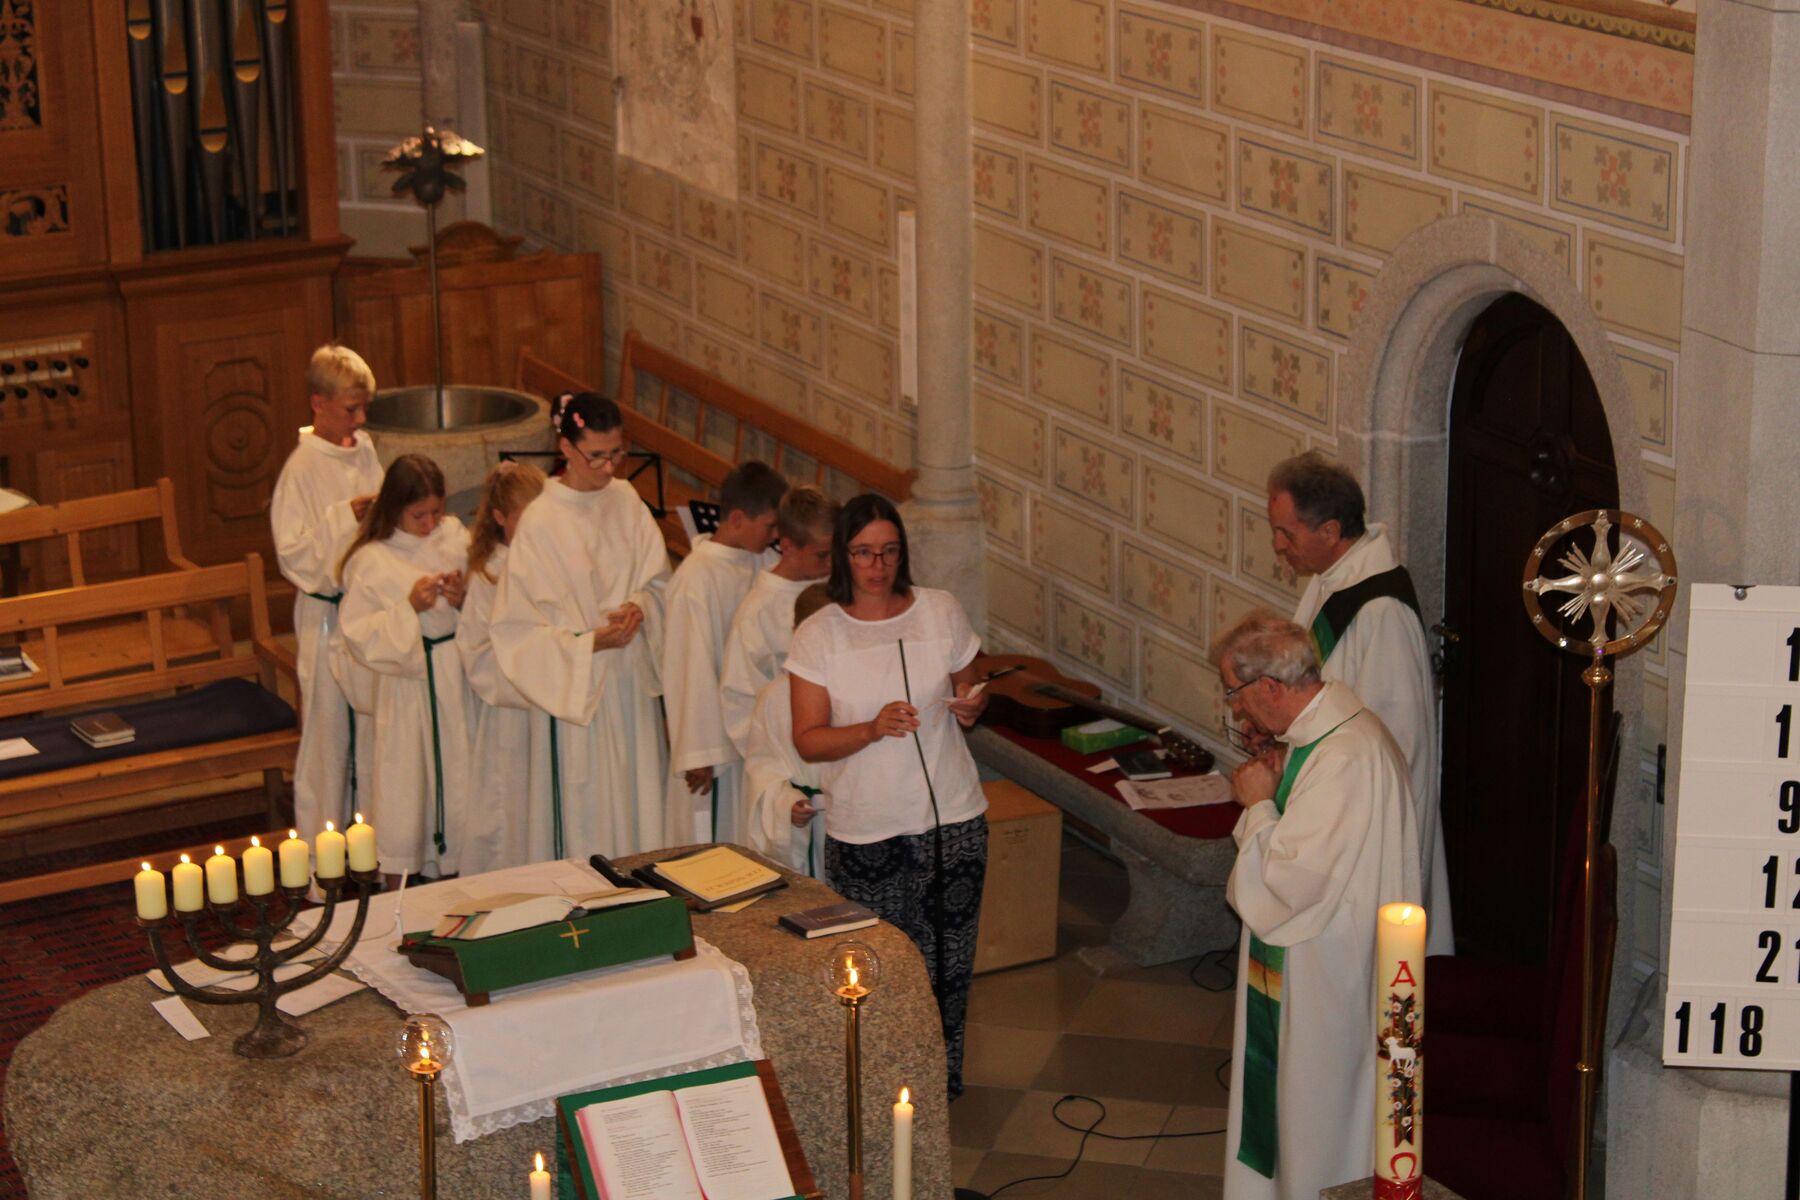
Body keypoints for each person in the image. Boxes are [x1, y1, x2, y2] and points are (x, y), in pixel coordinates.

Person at [1213, 612, 1420, 1200]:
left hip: (1324, 972)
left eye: (1234, 692)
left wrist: (1257, 804)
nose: (1236, 708)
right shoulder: (1329, 736)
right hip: (1324, 955)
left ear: (1269, 687)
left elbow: (1287, 887)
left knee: (1315, 1111)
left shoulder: (1343, 757)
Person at [788, 494, 989, 1098]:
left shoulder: (940, 610)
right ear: (843, 556)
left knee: (947, 965)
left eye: (888, 551)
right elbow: (809, 739)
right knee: (871, 965)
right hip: (867, 828)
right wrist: (872, 728)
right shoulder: (819, 633)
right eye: (863, 553)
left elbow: (972, 684)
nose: (877, 565)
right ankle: (877, 1091)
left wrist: (972, 703)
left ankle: (938, 1086)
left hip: (951, 818)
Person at [1266, 451, 1453, 957]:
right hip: (1328, 796)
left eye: (1286, 533)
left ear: (1330, 531)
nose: (1278, 545)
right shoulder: (1333, 579)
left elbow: (1396, 740)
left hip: (1363, 820)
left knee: (1364, 959)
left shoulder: (1381, 611)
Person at [490, 392, 673, 859]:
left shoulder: (627, 500)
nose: (609, 468)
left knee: (636, 807)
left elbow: (658, 582)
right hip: (575, 690)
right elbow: (515, 629)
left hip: (628, 684)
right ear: (566, 448)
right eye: (596, 456)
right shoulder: (541, 521)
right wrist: (588, 643)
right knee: (587, 818)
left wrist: (641, 606)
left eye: (617, 453)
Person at [333, 454, 472, 883]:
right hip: (407, 687)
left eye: (436, 511)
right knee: (405, 791)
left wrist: (464, 599)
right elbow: (358, 634)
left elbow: (491, 600)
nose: (430, 523)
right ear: (395, 509)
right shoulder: (371, 559)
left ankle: (465, 876)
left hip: (456, 679)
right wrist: (408, 610)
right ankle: (400, 884)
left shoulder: (456, 537)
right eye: (419, 515)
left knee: (462, 781)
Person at [270, 344, 384, 840]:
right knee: (329, 735)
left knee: (374, 731)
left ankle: (375, 841)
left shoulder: (366, 449)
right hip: (325, 617)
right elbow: (293, 555)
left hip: (369, 612)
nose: (359, 420)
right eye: (350, 409)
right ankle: (325, 852)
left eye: (364, 408)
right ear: (318, 404)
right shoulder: (301, 469)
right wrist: (344, 518)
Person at [661, 461, 787, 843]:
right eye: (770, 526)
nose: (776, 536)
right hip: (714, 748)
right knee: (715, 841)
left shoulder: (763, 561)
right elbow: (689, 666)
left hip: (752, 733)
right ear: (736, 519)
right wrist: (700, 752)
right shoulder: (696, 578)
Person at [456, 460, 549, 874]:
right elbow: (477, 652)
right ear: (500, 518)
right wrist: (533, 681)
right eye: (524, 521)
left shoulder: (552, 562)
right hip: (511, 714)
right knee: (511, 809)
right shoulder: (489, 574)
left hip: (551, 702)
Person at [718, 486, 839, 760]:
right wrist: (779, 771)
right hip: (790, 757)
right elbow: (740, 702)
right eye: (822, 555)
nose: (832, 564)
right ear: (788, 546)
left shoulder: (840, 589)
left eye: (837, 552)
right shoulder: (757, 612)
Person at [742, 583, 834, 878]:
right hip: (809, 827)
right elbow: (762, 767)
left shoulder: (866, 690)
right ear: (797, 633)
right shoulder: (776, 695)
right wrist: (786, 804)